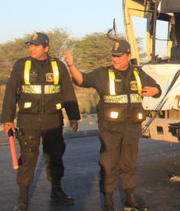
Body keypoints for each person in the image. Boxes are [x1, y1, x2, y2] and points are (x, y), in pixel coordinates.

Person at [64, 39, 160, 211]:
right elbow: (82, 80)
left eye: (119, 56)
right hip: (110, 130)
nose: (114, 59)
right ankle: (108, 203)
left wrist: (155, 91)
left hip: (132, 129)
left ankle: (130, 200)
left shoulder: (138, 74)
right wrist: (71, 66)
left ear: (129, 56)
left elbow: (157, 88)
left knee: (129, 165)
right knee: (108, 166)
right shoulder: (103, 74)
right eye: (113, 56)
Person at [1, 32, 80, 211]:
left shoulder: (58, 66)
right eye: (30, 45)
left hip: (53, 120)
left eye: (36, 45)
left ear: (46, 47)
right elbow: (10, 92)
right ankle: (22, 198)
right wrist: (7, 119)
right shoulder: (21, 65)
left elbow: (68, 92)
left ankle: (57, 191)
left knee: (55, 157)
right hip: (28, 121)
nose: (31, 48)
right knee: (28, 159)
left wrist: (73, 116)